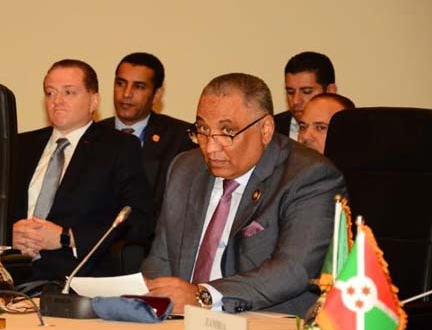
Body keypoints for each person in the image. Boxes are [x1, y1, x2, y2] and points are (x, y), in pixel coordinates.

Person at [142, 73, 345, 315]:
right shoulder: (185, 168)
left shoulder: (309, 176)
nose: (210, 147)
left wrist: (203, 296)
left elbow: (292, 270)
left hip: (264, 321)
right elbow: (161, 259)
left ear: (265, 129)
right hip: (181, 320)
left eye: (227, 131)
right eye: (203, 129)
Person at [12, 59, 153, 282]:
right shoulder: (21, 146)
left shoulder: (118, 148)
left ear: (94, 101)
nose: (57, 101)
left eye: (69, 92)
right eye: (50, 93)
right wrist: (10, 235)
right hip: (14, 275)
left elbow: (138, 221)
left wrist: (67, 237)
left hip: (75, 278)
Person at [98, 52, 195, 217]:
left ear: (156, 95)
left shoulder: (181, 139)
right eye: (120, 83)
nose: (126, 94)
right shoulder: (93, 135)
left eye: (139, 87)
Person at [274, 52, 337, 140]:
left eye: (306, 92)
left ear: (330, 91)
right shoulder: (271, 129)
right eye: (290, 92)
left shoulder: (352, 127)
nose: (295, 101)